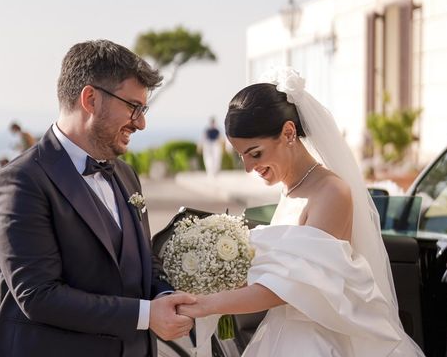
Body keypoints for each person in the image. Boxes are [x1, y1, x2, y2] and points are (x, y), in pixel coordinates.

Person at [177, 67, 425, 356]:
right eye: (241, 156)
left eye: (255, 153)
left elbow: (294, 286)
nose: (247, 167)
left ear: (288, 133)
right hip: (281, 335)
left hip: (316, 342)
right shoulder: (291, 189)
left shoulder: (331, 192)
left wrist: (209, 303)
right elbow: (282, 269)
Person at [0, 40, 196, 357]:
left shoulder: (125, 174)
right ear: (91, 99)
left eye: (143, 109)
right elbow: (39, 296)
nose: (141, 122)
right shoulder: (21, 180)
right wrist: (147, 315)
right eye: (133, 107)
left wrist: (167, 295)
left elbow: (141, 260)